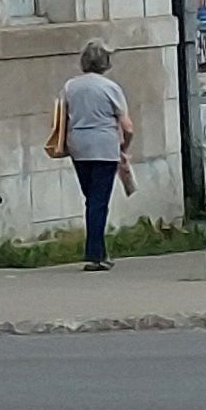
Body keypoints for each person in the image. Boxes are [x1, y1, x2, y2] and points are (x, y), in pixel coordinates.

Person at [58, 40, 135, 270]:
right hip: (104, 146)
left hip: (78, 147)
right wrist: (124, 146)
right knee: (99, 201)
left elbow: (62, 116)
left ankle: (100, 251)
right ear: (105, 62)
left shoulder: (70, 86)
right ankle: (94, 255)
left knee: (91, 199)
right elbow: (127, 126)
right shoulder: (110, 88)